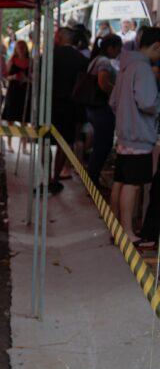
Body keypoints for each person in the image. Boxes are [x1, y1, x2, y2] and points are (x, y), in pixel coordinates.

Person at [110, 27, 160, 243]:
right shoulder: (143, 68)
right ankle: (128, 231)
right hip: (139, 136)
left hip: (123, 134)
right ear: (157, 46)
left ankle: (116, 226)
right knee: (133, 183)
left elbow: (112, 101)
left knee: (120, 181)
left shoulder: (125, 66)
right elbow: (148, 102)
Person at [49, 26, 89, 194]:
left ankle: (47, 175)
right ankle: (55, 177)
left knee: (45, 141)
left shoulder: (51, 56)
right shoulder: (81, 59)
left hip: (50, 104)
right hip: (70, 106)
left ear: (60, 37)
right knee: (63, 143)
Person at [85, 34, 123, 187]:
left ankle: (92, 177)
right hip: (101, 109)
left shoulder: (96, 59)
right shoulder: (104, 62)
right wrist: (118, 93)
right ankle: (92, 179)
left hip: (95, 108)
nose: (119, 52)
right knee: (103, 145)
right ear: (111, 48)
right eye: (118, 48)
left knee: (101, 144)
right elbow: (103, 84)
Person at [1, 40, 32, 125]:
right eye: (19, 47)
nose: (21, 49)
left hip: (25, 91)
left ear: (26, 48)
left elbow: (35, 78)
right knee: (10, 116)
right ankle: (9, 137)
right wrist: (13, 77)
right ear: (16, 49)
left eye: (23, 47)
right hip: (13, 91)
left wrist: (27, 79)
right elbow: (5, 76)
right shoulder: (12, 61)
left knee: (24, 116)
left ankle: (23, 137)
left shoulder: (31, 61)